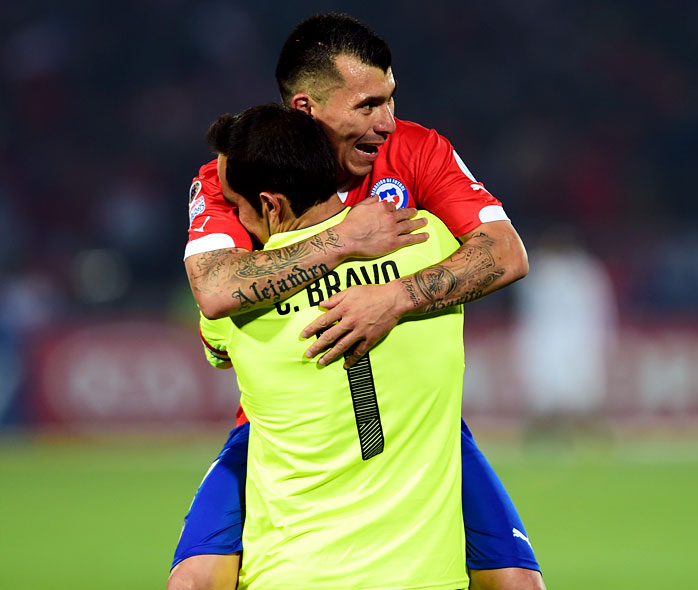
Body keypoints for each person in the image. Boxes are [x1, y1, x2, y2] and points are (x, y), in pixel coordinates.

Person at [170, 13, 544, 590]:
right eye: (368, 105)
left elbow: (505, 253)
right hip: (292, 436)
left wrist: (394, 298)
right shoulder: (238, 172)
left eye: (390, 99)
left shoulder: (416, 149)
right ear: (305, 109)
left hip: (408, 422)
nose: (387, 123)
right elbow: (215, 289)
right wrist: (343, 240)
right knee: (193, 581)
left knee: (518, 583)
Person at [201, 103, 468, 589]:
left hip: (291, 575)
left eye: (238, 206)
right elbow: (494, 258)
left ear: (271, 206)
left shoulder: (236, 311)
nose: (238, 219)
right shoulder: (431, 245)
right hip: (425, 577)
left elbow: (218, 346)